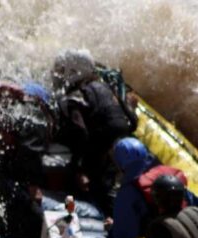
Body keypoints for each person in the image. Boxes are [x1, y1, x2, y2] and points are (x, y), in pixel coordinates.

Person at [52, 50, 138, 215]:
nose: (58, 76)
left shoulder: (75, 98)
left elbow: (80, 133)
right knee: (110, 188)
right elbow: (132, 120)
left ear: (74, 72)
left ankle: (70, 215)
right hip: (119, 145)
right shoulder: (107, 88)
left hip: (101, 152)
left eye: (62, 71)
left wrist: (79, 169)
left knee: (76, 185)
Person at [108, 137, 198, 238]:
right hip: (186, 237)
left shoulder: (127, 195)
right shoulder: (167, 178)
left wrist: (112, 228)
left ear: (121, 165)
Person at [0, 81, 55, 238]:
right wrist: (34, 190)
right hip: (7, 178)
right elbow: (31, 155)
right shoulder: (35, 118)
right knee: (32, 218)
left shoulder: (8, 110)